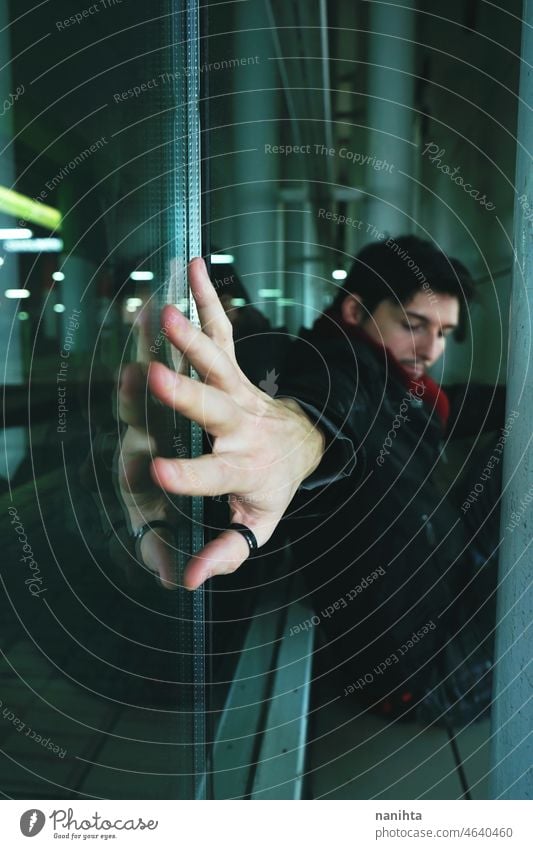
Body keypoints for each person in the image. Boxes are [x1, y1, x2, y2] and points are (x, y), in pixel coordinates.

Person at [117, 237, 499, 723]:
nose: (430, 348)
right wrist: (294, 441)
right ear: (357, 312)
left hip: (441, 594)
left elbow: (447, 406)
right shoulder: (343, 371)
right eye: (412, 326)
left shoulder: (401, 386)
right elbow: (327, 411)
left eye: (444, 332)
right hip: (424, 667)